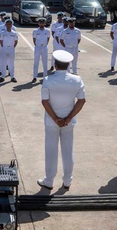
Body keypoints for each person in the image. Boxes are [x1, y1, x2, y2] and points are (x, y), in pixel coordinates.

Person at [37, 50, 87, 189]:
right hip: (69, 122)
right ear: (69, 65)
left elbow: (45, 102)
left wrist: (55, 118)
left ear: (55, 64)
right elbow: (81, 101)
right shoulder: (76, 79)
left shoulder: (48, 79)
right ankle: (67, 180)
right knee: (68, 150)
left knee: (51, 151)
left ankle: (49, 180)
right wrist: (68, 118)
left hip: (51, 122)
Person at [0, 18, 19, 82]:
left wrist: (12, 47)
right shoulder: (3, 33)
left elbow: (16, 41)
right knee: (3, 63)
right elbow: (1, 41)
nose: (9, 25)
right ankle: (3, 77)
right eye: (7, 24)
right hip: (4, 48)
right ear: (6, 25)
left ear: (11, 25)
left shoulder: (14, 33)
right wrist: (4, 47)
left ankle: (12, 76)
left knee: (11, 63)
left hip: (11, 48)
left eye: (10, 24)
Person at [32, 18, 51, 82]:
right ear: (38, 23)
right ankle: (34, 77)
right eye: (40, 22)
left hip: (44, 47)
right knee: (36, 62)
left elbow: (48, 39)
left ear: (45, 23)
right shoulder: (35, 31)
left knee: (45, 62)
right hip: (38, 47)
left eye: (43, 23)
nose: (41, 24)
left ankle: (45, 76)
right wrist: (37, 45)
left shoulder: (47, 31)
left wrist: (44, 44)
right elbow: (34, 39)